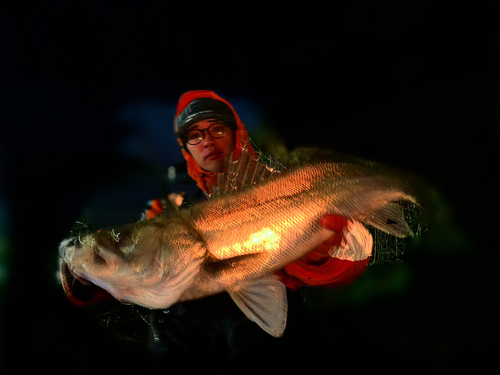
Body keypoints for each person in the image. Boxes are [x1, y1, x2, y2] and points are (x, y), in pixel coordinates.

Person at [146, 90, 372, 291]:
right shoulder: (165, 209)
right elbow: (128, 271)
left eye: (217, 129)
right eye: (194, 135)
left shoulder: (285, 180)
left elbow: (358, 250)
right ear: (185, 147)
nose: (207, 141)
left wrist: (316, 260)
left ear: (236, 133)